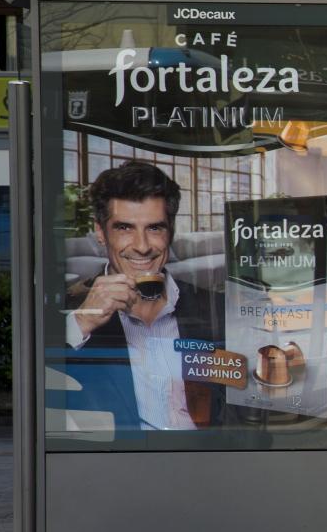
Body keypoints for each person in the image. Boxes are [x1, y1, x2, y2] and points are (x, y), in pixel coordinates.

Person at [62, 160, 226, 432]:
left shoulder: (213, 308)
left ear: (170, 231)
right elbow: (35, 395)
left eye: (154, 228)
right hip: (119, 467)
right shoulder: (70, 312)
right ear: (101, 232)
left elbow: (239, 406)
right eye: (124, 228)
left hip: (204, 463)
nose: (142, 247)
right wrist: (82, 321)